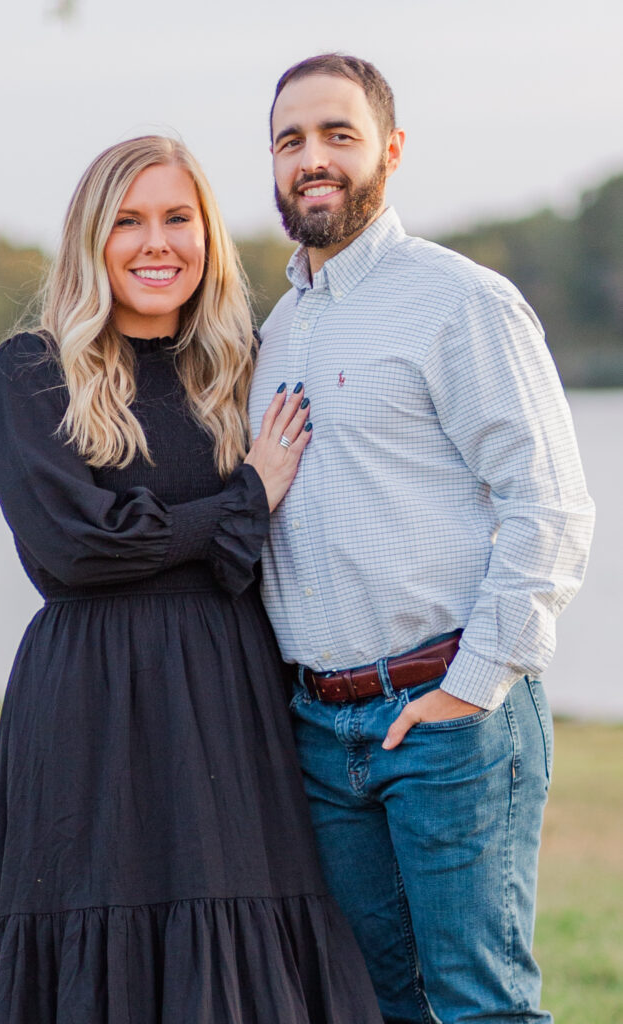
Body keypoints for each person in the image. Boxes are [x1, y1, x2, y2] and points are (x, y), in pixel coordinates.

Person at [0, 135, 383, 1024]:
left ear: (208, 237)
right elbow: (78, 549)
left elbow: (289, 540)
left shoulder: (243, 369)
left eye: (178, 219)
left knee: (238, 938)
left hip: (230, 695)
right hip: (86, 703)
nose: (156, 243)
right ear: (90, 240)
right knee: (85, 927)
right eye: (128, 222)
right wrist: (245, 497)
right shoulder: (33, 371)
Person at [249, 54, 596, 1024]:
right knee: (375, 1006)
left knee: (478, 1006)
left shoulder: (457, 301)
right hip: (321, 729)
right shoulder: (273, 331)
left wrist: (469, 685)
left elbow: (550, 505)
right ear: (272, 167)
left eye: (337, 134)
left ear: (388, 152)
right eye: (289, 141)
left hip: (447, 712)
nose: (310, 158)